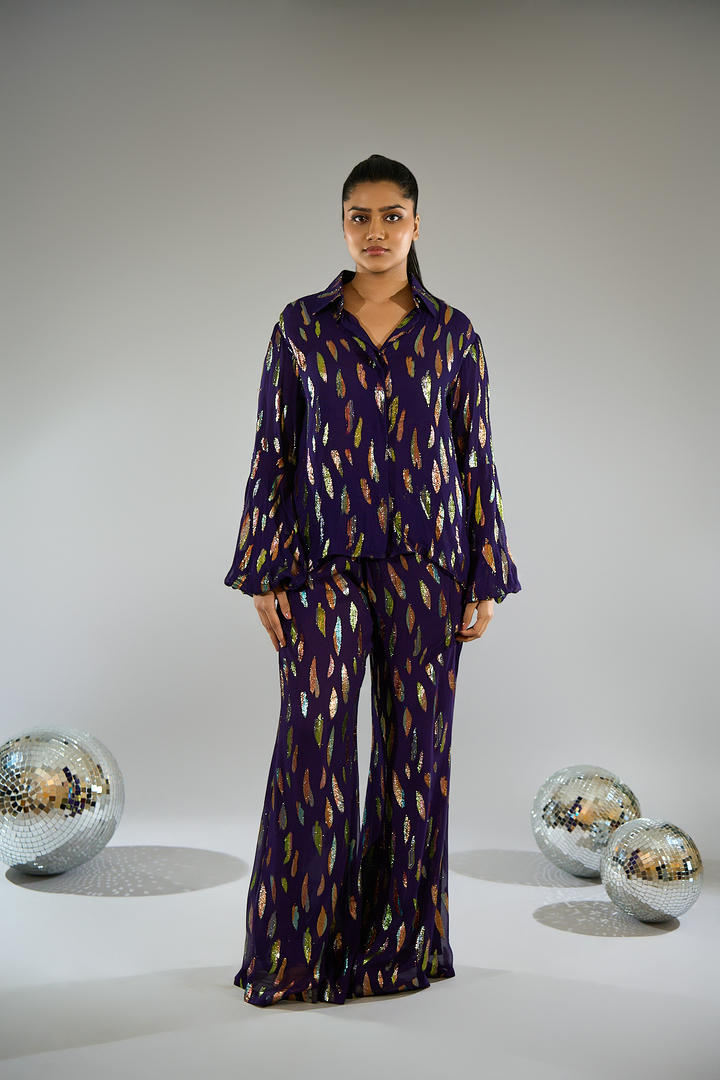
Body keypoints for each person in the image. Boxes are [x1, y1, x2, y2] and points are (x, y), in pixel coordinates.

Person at [224, 153, 522, 1007]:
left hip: (428, 567)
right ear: (343, 225)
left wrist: (486, 574)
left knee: (413, 757)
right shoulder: (300, 326)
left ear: (417, 225)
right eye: (361, 216)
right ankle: (296, 956)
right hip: (320, 564)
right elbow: (273, 450)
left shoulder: (453, 333)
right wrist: (262, 570)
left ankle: (397, 950)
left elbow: (475, 458)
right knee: (310, 748)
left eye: (393, 216)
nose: (377, 232)